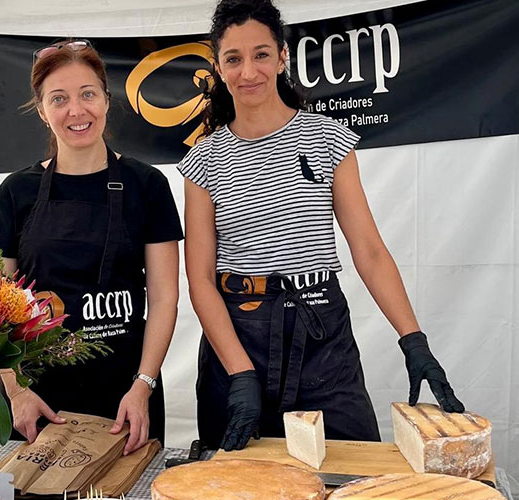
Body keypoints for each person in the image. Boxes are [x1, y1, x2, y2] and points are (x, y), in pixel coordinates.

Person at [179, 0, 465, 451]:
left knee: (353, 472)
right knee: (236, 482)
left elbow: (369, 251)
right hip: (238, 336)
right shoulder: (204, 160)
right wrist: (241, 373)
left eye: (261, 54)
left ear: (282, 57)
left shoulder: (327, 137)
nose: (248, 70)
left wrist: (414, 340)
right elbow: (200, 281)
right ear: (217, 66)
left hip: (322, 335)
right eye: (233, 58)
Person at [0, 39, 183, 455]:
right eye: (59, 99)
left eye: (87, 94)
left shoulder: (147, 186)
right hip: (38, 401)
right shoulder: (14, 193)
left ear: (106, 101)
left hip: (127, 399)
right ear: (42, 111)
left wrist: (143, 386)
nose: (76, 110)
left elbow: (164, 298)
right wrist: (16, 391)